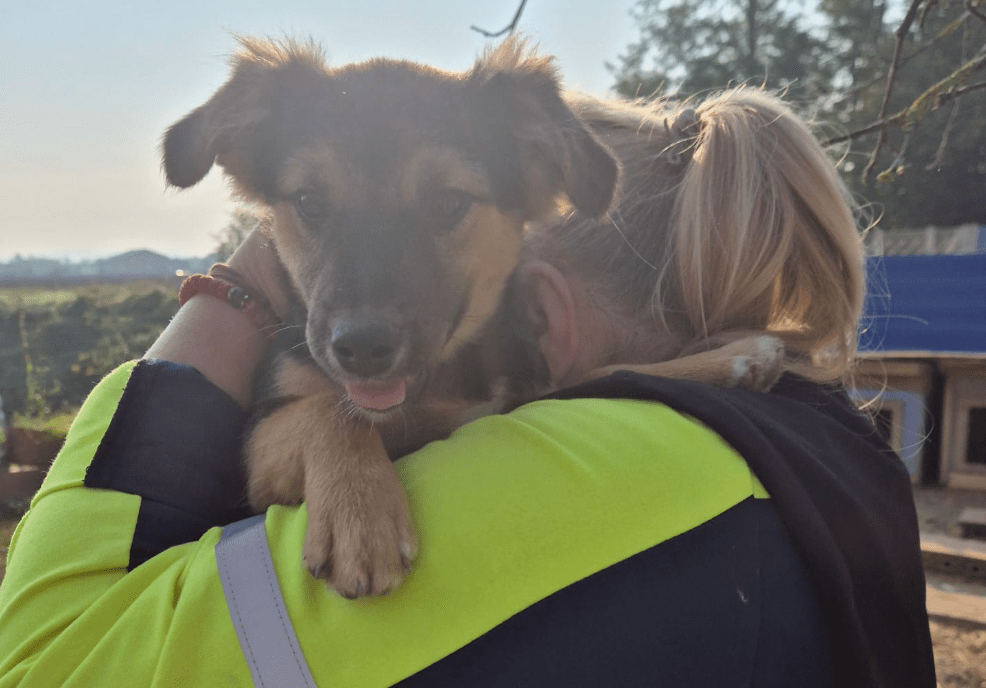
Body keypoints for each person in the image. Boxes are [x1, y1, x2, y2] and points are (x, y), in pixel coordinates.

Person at [0, 89, 935, 688]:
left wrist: (240, 283)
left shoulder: (554, 489)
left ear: (544, 308)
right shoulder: (838, 459)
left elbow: (48, 661)